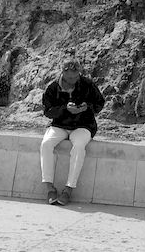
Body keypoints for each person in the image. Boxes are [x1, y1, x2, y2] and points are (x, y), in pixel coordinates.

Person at [39, 57, 105, 206]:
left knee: (79, 147)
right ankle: (49, 188)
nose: (73, 81)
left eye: (76, 77)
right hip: (60, 124)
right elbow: (48, 111)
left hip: (83, 125)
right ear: (63, 73)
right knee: (46, 144)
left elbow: (99, 103)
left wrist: (87, 107)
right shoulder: (53, 87)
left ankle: (69, 189)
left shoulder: (87, 84)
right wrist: (64, 109)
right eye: (70, 78)